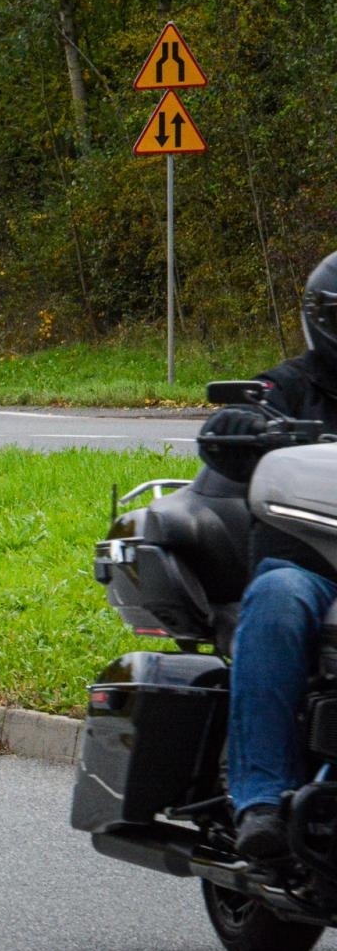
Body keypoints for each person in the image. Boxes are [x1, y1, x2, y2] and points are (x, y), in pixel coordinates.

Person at [197, 250, 337, 859]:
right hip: (310, 565)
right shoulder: (290, 385)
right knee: (278, 600)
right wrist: (239, 423)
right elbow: (248, 409)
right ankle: (260, 799)